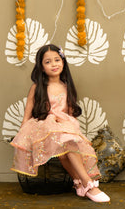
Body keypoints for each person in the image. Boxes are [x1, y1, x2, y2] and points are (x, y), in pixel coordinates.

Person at [10, 44, 110, 203]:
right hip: (43, 126)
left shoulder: (66, 86)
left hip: (63, 125)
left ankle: (78, 184)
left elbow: (69, 114)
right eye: (48, 62)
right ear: (42, 67)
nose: (54, 64)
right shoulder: (37, 87)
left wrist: (71, 129)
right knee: (65, 143)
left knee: (67, 147)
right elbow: (28, 112)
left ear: (63, 63)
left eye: (57, 60)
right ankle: (89, 185)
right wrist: (23, 133)